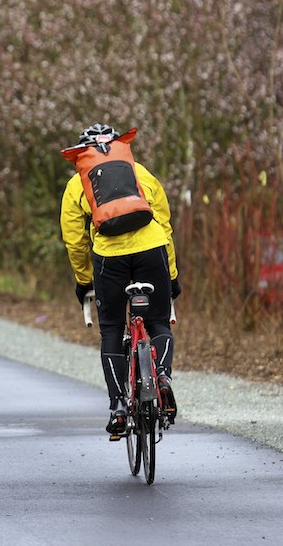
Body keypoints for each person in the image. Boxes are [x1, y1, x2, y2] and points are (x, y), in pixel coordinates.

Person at [60, 124, 181, 438]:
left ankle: (118, 406)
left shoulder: (77, 184)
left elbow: (74, 241)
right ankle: (163, 378)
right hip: (152, 250)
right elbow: (165, 224)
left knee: (112, 328)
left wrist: (84, 281)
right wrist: (171, 275)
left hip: (109, 259)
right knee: (158, 324)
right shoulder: (141, 172)